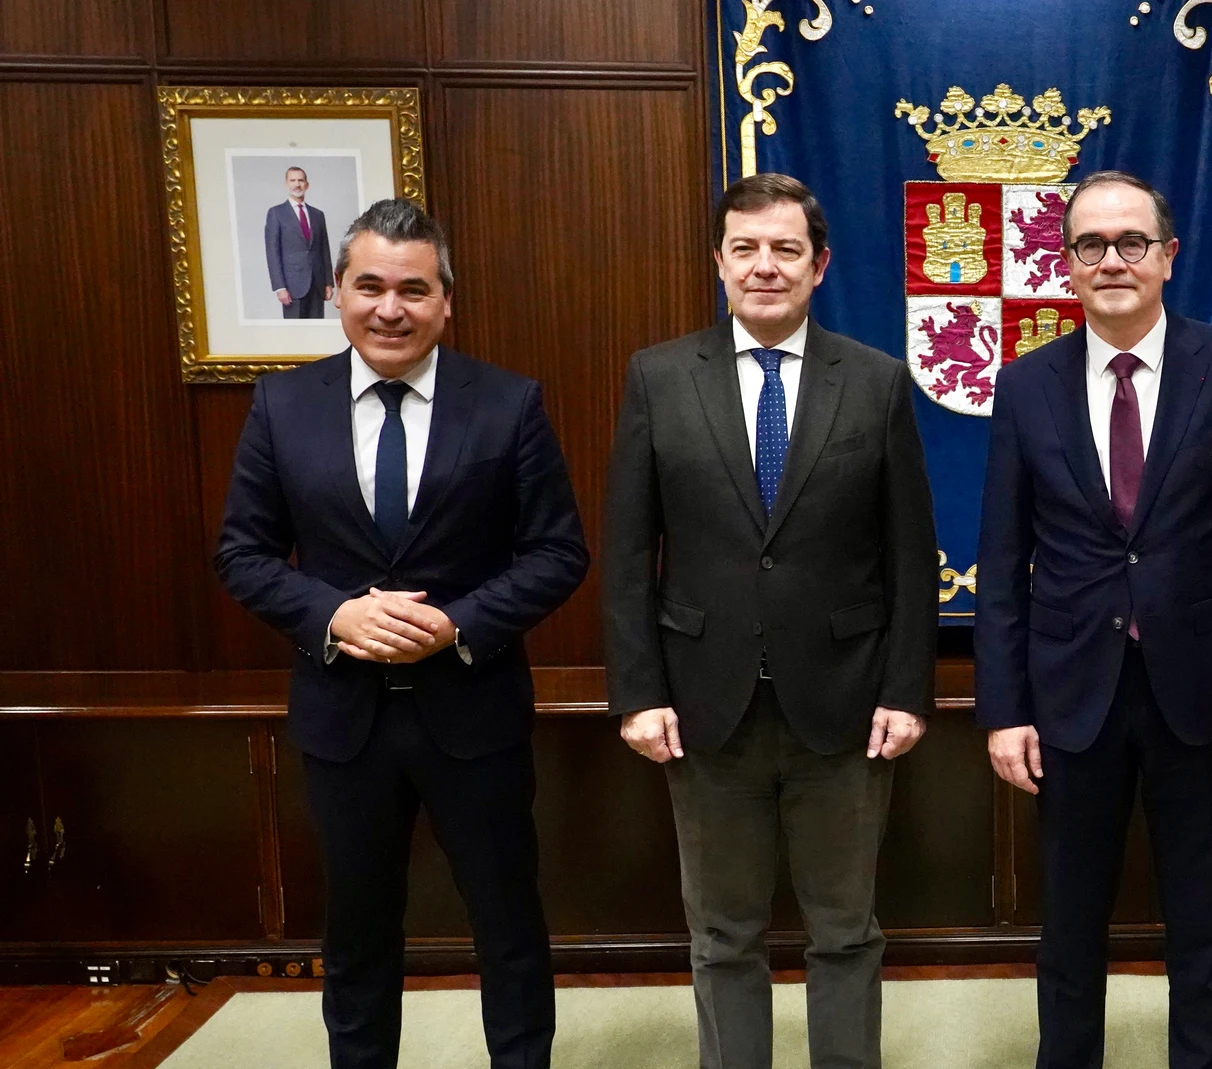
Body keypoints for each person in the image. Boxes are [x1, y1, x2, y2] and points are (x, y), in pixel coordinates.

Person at [216, 198, 589, 1069]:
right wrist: (333, 615)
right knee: (357, 934)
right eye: (371, 285)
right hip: (344, 722)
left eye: (414, 289)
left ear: (445, 301)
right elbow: (242, 552)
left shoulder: (507, 403)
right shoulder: (282, 406)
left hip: (476, 713)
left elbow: (557, 552)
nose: (391, 307)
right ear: (338, 292)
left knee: (508, 928)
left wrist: (456, 624)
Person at [602, 172, 937, 1069]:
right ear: (718, 260)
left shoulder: (875, 381)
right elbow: (631, 554)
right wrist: (637, 693)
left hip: (845, 709)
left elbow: (910, 554)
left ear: (819, 264)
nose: (764, 266)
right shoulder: (659, 377)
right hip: (704, 711)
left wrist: (908, 689)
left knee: (845, 934)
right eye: (744, 248)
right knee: (722, 939)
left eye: (785, 249)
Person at [974, 170, 1212, 1069]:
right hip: (1071, 695)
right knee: (1069, 928)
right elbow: (1001, 562)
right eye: (1090, 245)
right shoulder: (1025, 383)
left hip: (1199, 693)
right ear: (1065, 262)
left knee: (1202, 919)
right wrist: (1004, 708)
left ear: (1168, 255)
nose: (1111, 260)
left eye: (1130, 243)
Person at [265, 166, 334, 319]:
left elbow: (324, 250)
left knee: (317, 332)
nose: (297, 184)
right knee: (294, 333)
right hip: (292, 286)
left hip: (317, 284)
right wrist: (280, 287)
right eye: (293, 180)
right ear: (286, 184)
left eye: (301, 180)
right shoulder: (276, 213)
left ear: (307, 185)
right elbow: (272, 253)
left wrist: (329, 282)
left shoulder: (318, 215)